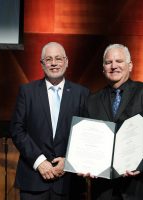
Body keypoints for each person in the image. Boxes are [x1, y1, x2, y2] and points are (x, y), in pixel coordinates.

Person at [82, 43, 143, 200]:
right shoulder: (91, 100)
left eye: (119, 61)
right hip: (105, 189)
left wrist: (142, 160)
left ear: (130, 66)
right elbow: (88, 140)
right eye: (108, 62)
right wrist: (86, 163)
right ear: (103, 69)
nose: (113, 66)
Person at [10, 42, 89, 200]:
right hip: (33, 182)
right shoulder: (27, 92)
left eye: (58, 59)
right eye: (49, 59)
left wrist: (69, 161)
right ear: (42, 64)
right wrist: (40, 162)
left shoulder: (82, 93)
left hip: (69, 183)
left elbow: (86, 134)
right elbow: (17, 130)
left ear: (66, 62)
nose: (54, 63)